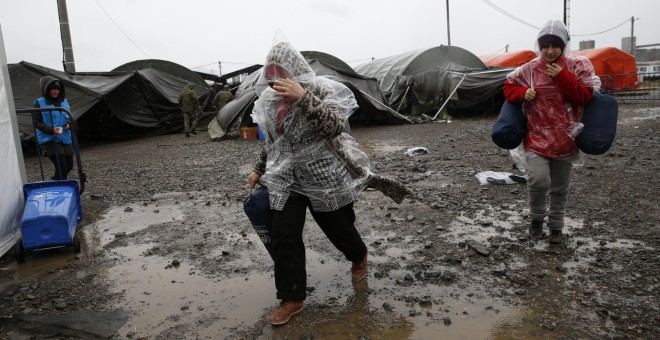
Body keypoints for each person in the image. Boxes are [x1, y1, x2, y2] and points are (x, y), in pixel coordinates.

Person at [247, 39, 410, 326]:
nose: (276, 81)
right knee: (285, 235)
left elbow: (335, 126)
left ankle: (358, 256)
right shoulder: (270, 102)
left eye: (280, 73)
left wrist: (302, 97)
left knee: (339, 229)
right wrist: (259, 169)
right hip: (285, 178)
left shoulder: (323, 89)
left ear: (294, 70)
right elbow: (274, 141)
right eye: (271, 75)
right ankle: (292, 297)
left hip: (324, 176)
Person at [503, 20, 600, 244]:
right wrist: (522, 92)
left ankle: (556, 226)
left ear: (564, 45)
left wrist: (561, 76)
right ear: (539, 46)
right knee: (537, 181)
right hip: (536, 137)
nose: (549, 50)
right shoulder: (529, 68)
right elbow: (508, 86)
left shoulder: (576, 67)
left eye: (555, 45)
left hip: (565, 140)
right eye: (545, 45)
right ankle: (537, 219)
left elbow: (584, 96)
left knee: (559, 187)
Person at [32, 76, 75, 180]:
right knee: (62, 167)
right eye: (53, 89)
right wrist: (51, 130)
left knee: (69, 166)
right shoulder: (39, 103)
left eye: (58, 89)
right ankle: (62, 190)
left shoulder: (64, 101)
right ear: (46, 89)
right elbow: (36, 122)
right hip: (49, 139)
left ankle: (53, 182)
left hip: (65, 137)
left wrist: (69, 123)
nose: (56, 91)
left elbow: (70, 117)